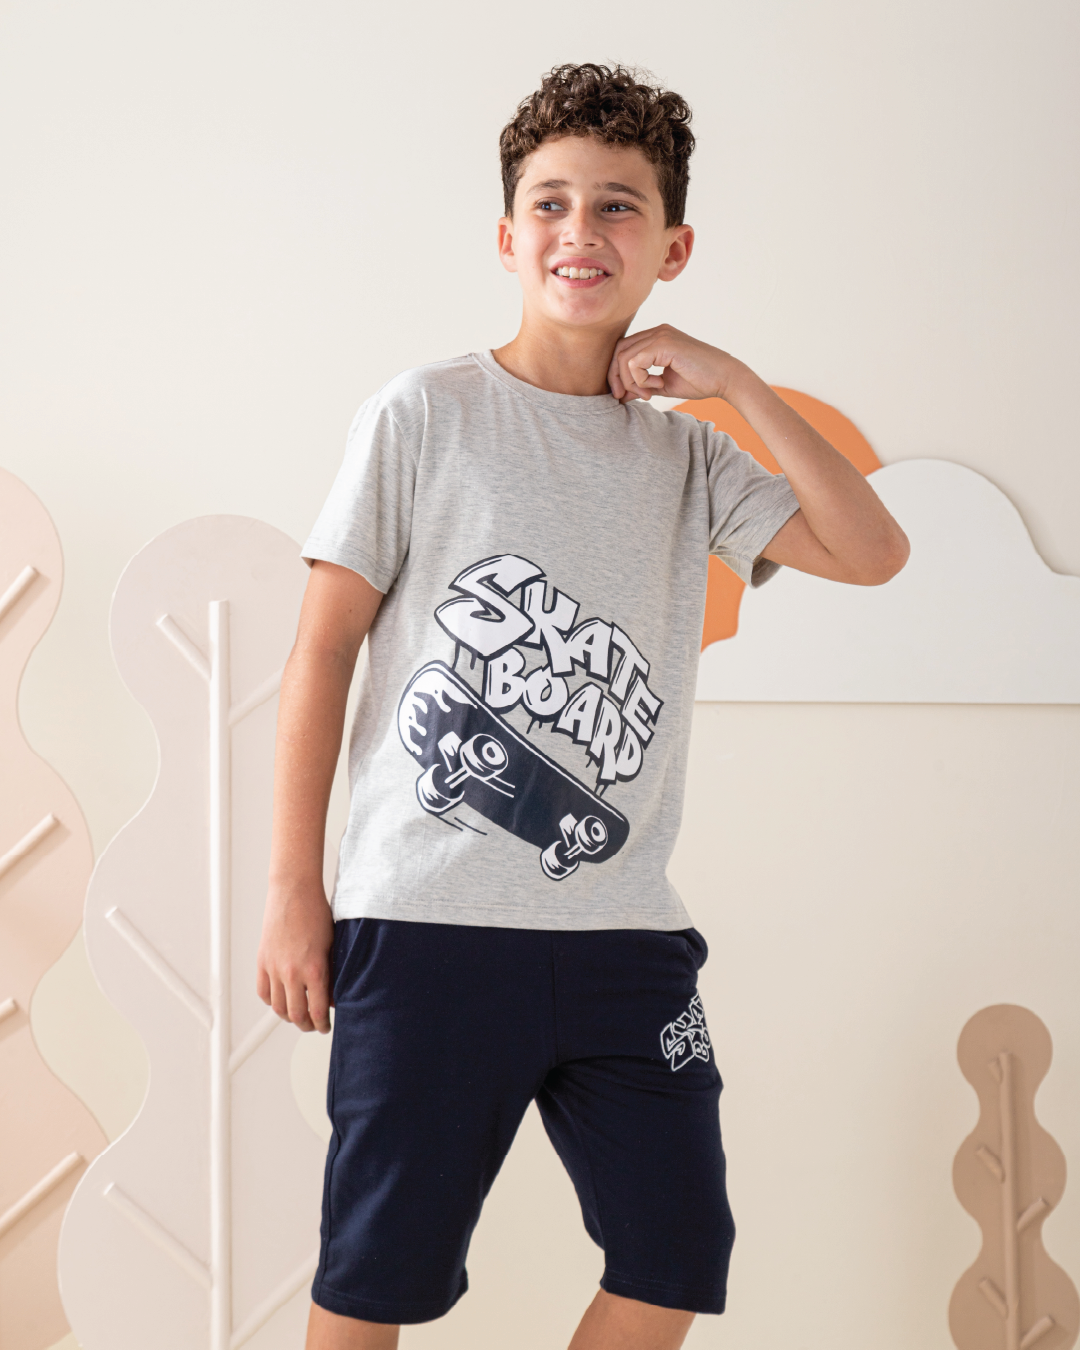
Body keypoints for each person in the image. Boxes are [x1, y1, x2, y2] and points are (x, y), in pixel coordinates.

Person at [256, 62, 909, 1350]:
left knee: (676, 1256)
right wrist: (293, 889)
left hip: (624, 934)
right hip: (429, 923)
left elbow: (873, 550)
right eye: (550, 203)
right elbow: (321, 650)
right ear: (508, 237)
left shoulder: (691, 456)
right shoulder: (425, 415)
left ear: (672, 247)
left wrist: (736, 383)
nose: (581, 230)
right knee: (377, 1271)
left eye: (619, 205)